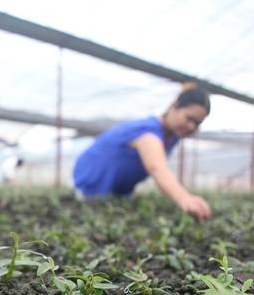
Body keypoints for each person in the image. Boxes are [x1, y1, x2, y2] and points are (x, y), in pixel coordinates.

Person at [73, 83, 212, 221]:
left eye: (198, 123)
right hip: (91, 184)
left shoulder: (172, 136)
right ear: (173, 106)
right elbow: (156, 167)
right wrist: (184, 198)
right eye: (189, 118)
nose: (192, 126)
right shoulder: (149, 130)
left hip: (118, 192)